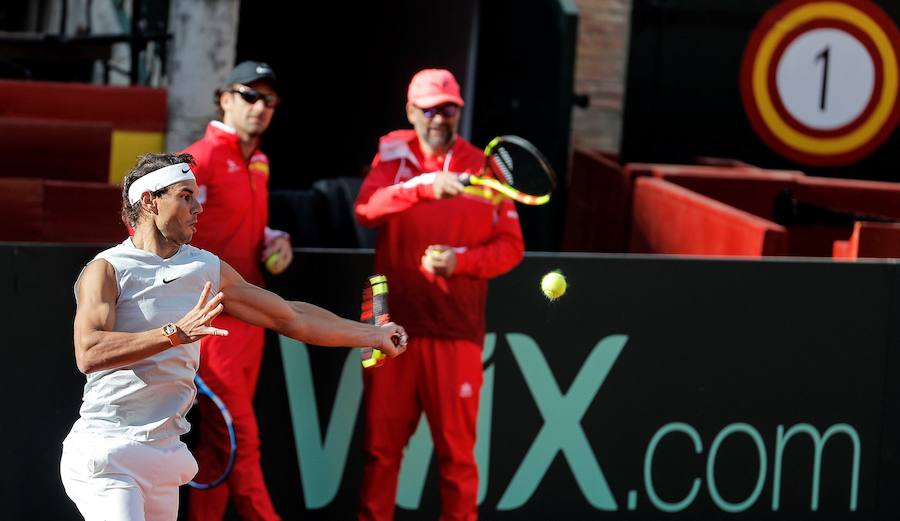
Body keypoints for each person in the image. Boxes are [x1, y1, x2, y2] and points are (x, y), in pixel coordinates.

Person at [60, 153, 407, 521]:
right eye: (185, 196)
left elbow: (290, 316)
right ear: (150, 201)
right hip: (107, 454)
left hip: (162, 457)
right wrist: (173, 334)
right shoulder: (106, 269)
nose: (199, 206)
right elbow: (89, 351)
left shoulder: (204, 267)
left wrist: (372, 335)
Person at [354, 68, 524, 520]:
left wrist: (461, 261)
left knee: (458, 460)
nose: (438, 118)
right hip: (388, 325)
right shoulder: (391, 155)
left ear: (458, 113)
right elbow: (366, 209)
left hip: (456, 329)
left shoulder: (484, 167)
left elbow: (512, 247)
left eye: (447, 109)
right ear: (411, 112)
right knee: (380, 453)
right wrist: (423, 188)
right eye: (428, 109)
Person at [180, 61, 292, 521]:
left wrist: (272, 240)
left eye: (269, 101)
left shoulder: (260, 161)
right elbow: (142, 224)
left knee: (219, 444)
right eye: (250, 96)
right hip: (211, 322)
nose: (260, 108)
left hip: (250, 318)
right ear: (225, 98)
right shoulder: (196, 159)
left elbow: (247, 225)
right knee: (239, 438)